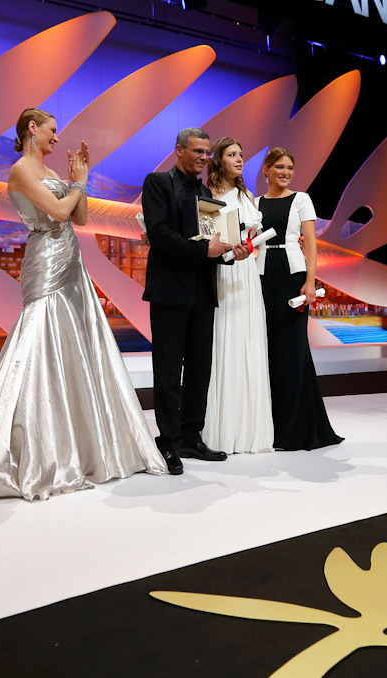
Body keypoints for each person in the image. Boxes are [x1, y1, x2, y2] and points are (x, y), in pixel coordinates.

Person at [0, 108, 167, 500]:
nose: (57, 137)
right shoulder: (21, 170)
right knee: (38, 338)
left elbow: (80, 217)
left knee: (74, 343)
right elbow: (57, 212)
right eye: (52, 130)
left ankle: (78, 440)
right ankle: (33, 439)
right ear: (31, 128)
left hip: (71, 261)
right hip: (45, 260)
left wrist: (79, 181)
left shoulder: (53, 173)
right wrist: (77, 184)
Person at [141, 127, 250, 473]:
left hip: (203, 292)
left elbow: (212, 243)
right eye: (198, 151)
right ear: (179, 151)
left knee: (200, 369)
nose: (204, 157)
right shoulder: (157, 183)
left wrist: (232, 254)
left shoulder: (205, 192)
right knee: (168, 371)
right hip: (169, 291)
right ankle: (168, 443)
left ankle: (191, 437)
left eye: (207, 152)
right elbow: (159, 234)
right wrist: (207, 251)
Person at [256, 147, 343, 450]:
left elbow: (312, 244)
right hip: (261, 278)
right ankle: (269, 427)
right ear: (266, 170)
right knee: (267, 352)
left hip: (293, 278)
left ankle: (297, 428)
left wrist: (309, 282)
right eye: (279, 167)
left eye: (289, 168)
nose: (285, 172)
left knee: (293, 352)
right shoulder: (254, 203)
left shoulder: (301, 199)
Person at [201, 137, 274, 454]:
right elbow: (205, 237)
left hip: (246, 273)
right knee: (223, 340)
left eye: (241, 154)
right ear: (219, 160)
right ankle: (219, 429)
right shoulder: (207, 194)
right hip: (221, 271)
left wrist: (250, 246)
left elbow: (255, 235)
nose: (240, 159)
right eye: (232, 154)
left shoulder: (247, 196)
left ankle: (249, 429)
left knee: (248, 340)